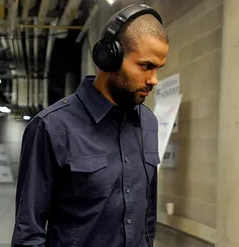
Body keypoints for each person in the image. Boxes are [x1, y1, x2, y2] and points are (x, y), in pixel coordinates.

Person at [11, 4, 169, 247]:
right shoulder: (51, 128)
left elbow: (147, 218)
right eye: (146, 66)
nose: (153, 80)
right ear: (109, 58)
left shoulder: (147, 122)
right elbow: (28, 234)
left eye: (158, 68)